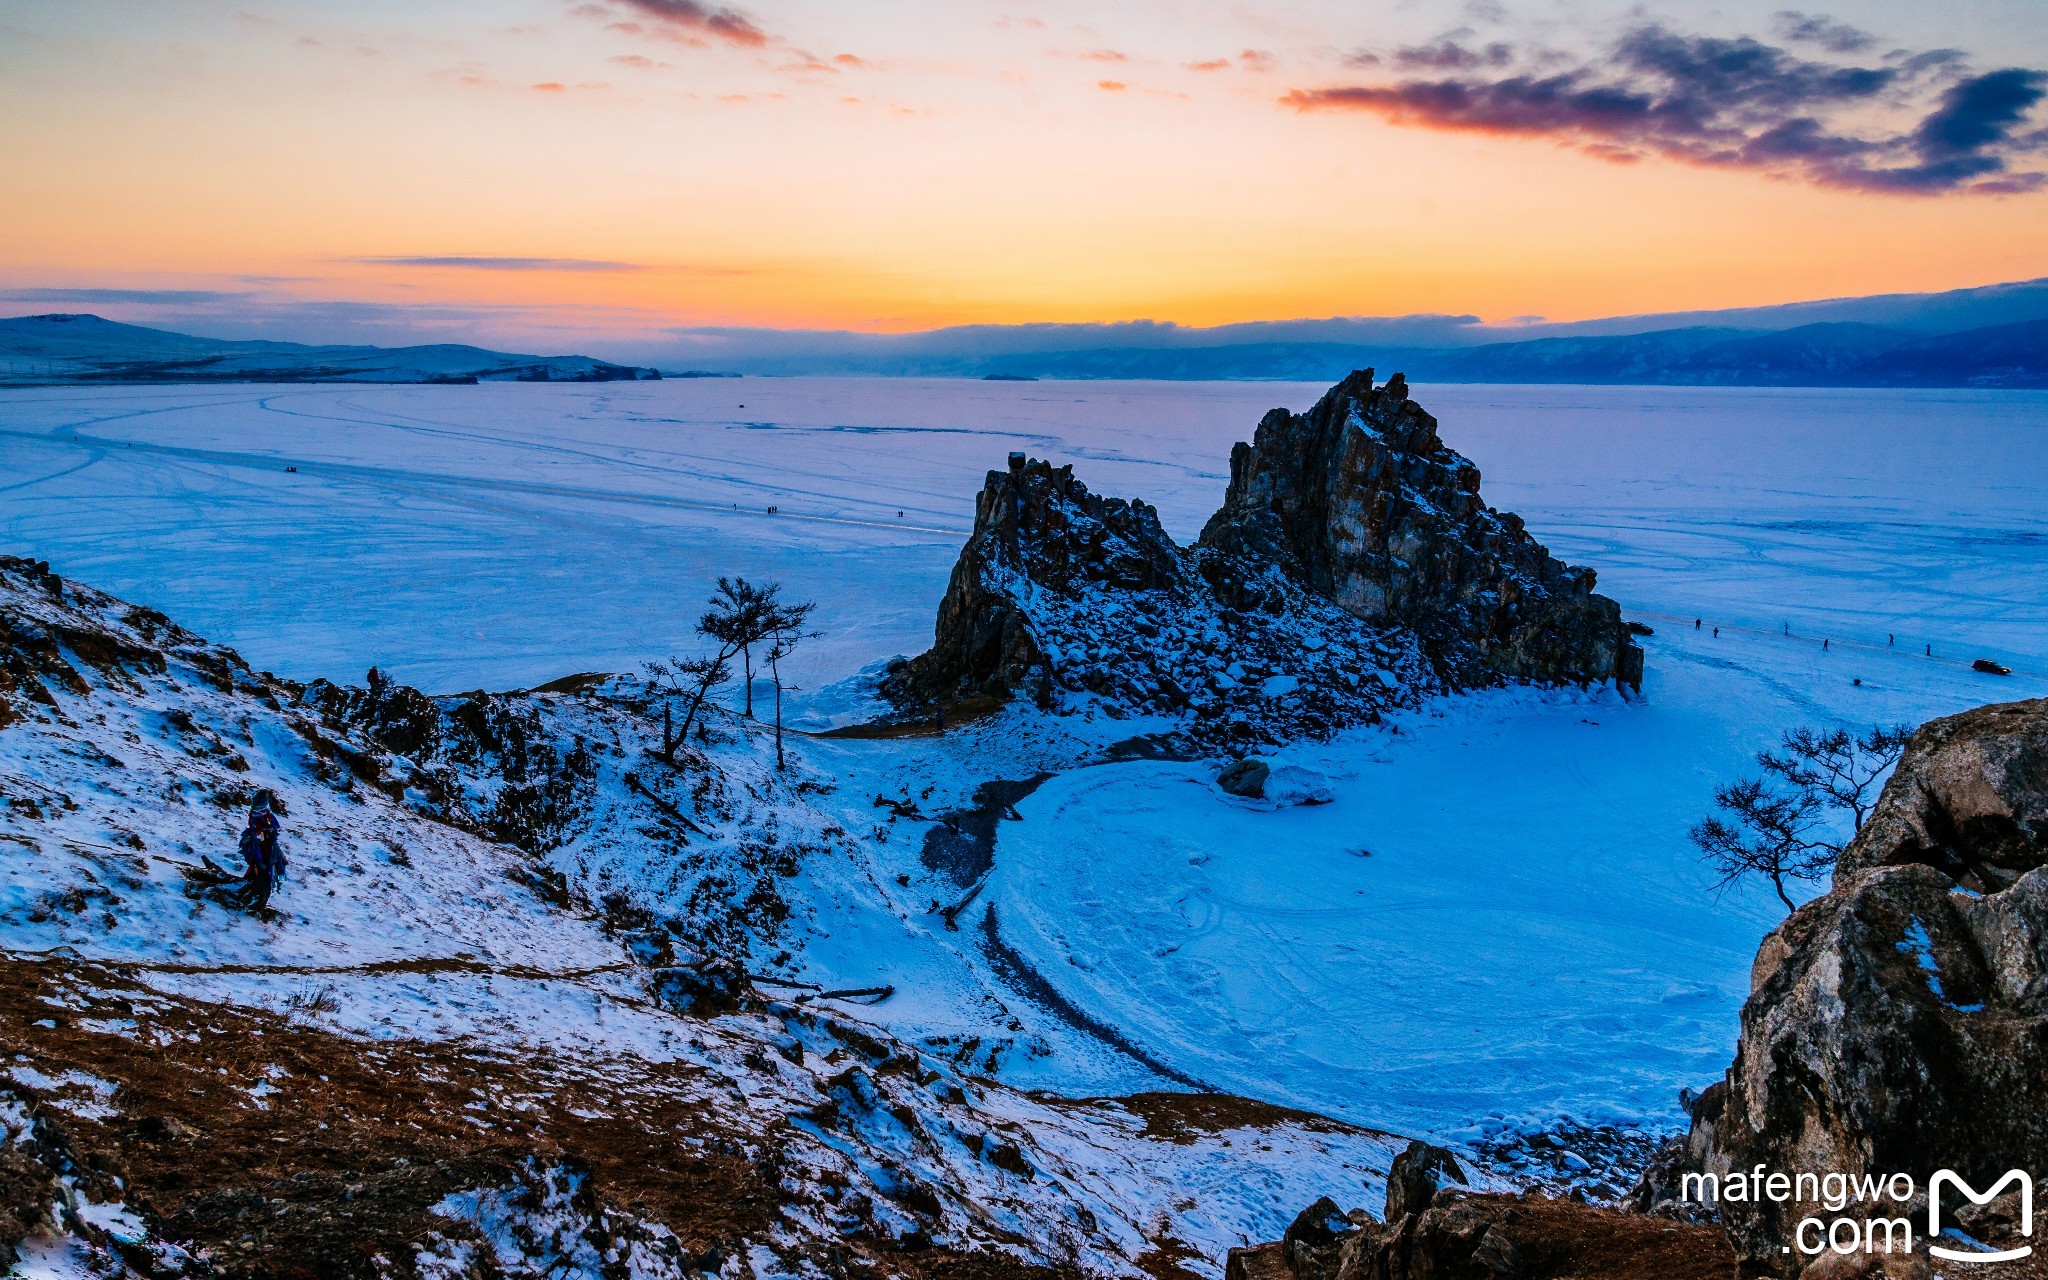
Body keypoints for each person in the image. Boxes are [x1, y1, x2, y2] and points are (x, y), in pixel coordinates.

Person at [238, 792, 286, 911]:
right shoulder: (256, 822)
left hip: (268, 852)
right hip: (259, 854)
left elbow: (273, 830)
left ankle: (259, 904)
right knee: (259, 880)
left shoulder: (268, 819)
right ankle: (254, 904)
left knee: (266, 882)